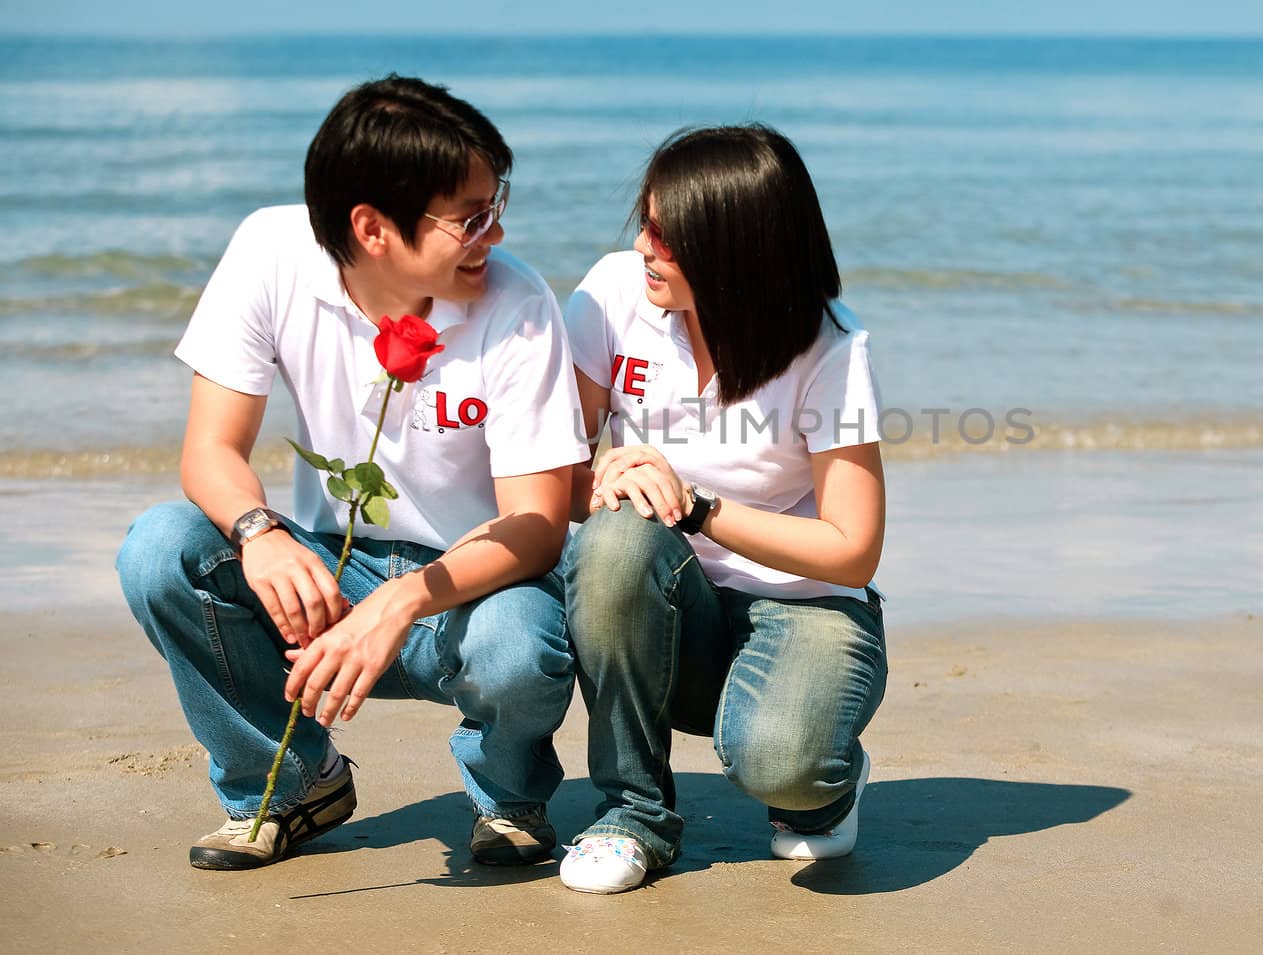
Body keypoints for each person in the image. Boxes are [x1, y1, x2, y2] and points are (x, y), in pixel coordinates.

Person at [116, 75, 588, 870]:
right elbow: (210, 450)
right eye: (471, 218)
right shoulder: (270, 252)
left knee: (520, 640)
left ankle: (507, 794)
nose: (496, 233)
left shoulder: (518, 303)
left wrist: (404, 599)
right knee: (162, 548)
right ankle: (293, 782)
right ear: (371, 228)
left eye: (496, 203)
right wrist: (260, 534)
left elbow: (539, 525)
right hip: (326, 574)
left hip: (472, 587)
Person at [557, 124, 889, 894]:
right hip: (664, 601)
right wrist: (604, 480)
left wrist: (698, 507)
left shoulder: (829, 348)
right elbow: (558, 476)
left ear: (736, 246)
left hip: (804, 605)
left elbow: (852, 549)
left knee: (785, 763)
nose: (644, 245)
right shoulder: (611, 295)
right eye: (645, 221)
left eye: (667, 235)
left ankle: (824, 779)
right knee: (613, 541)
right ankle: (630, 812)